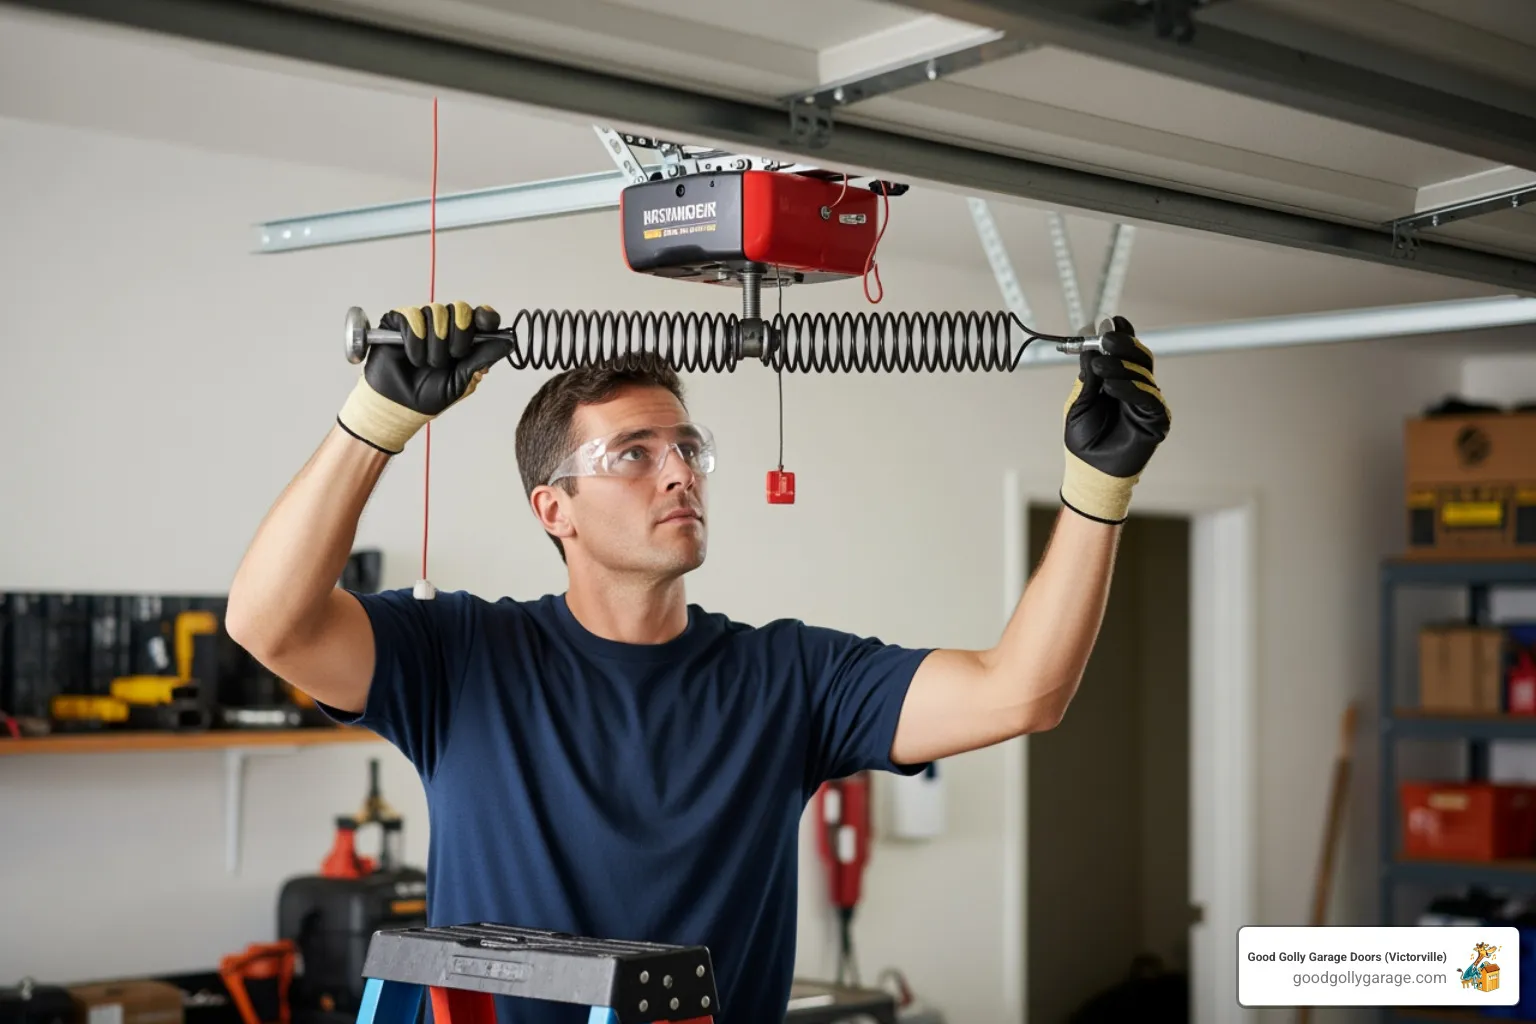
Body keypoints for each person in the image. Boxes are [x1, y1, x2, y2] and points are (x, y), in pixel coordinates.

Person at [226, 300, 1171, 1024]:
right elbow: (269, 623)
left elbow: (1024, 692)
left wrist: (1098, 491)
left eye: (686, 447)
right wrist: (373, 420)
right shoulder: (463, 656)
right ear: (554, 510)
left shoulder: (792, 679)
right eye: (633, 454)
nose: (678, 471)